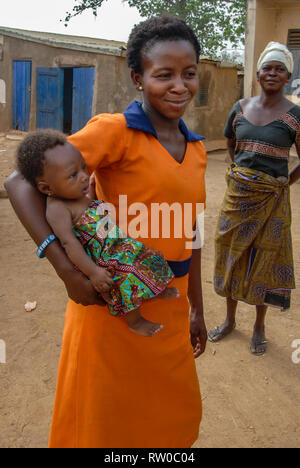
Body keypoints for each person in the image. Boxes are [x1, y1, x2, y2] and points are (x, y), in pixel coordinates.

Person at [5, 15, 207, 448]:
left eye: (189, 73)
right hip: (111, 304)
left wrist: (197, 308)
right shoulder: (115, 131)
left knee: (170, 418)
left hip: (169, 305)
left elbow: (193, 231)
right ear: (138, 77)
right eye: (163, 74)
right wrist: (66, 270)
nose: (179, 86)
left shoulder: (196, 147)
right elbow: (20, 182)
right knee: (105, 422)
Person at [17, 130, 179, 337]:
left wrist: (92, 191)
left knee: (149, 257)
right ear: (46, 187)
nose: (84, 176)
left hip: (116, 243)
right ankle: (134, 321)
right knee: (125, 277)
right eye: (73, 174)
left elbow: (91, 208)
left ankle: (156, 289)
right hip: (102, 257)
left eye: (83, 168)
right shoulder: (57, 209)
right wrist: (93, 272)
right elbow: (70, 244)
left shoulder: (77, 193)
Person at [208, 42, 300, 356]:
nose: (272, 73)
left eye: (280, 69)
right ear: (258, 74)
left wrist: (283, 183)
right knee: (230, 254)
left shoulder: (294, 116)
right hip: (238, 197)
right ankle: (230, 319)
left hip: (272, 201)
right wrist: (236, 170)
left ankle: (259, 325)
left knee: (263, 261)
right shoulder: (240, 107)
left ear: (288, 76)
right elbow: (231, 143)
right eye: (267, 68)